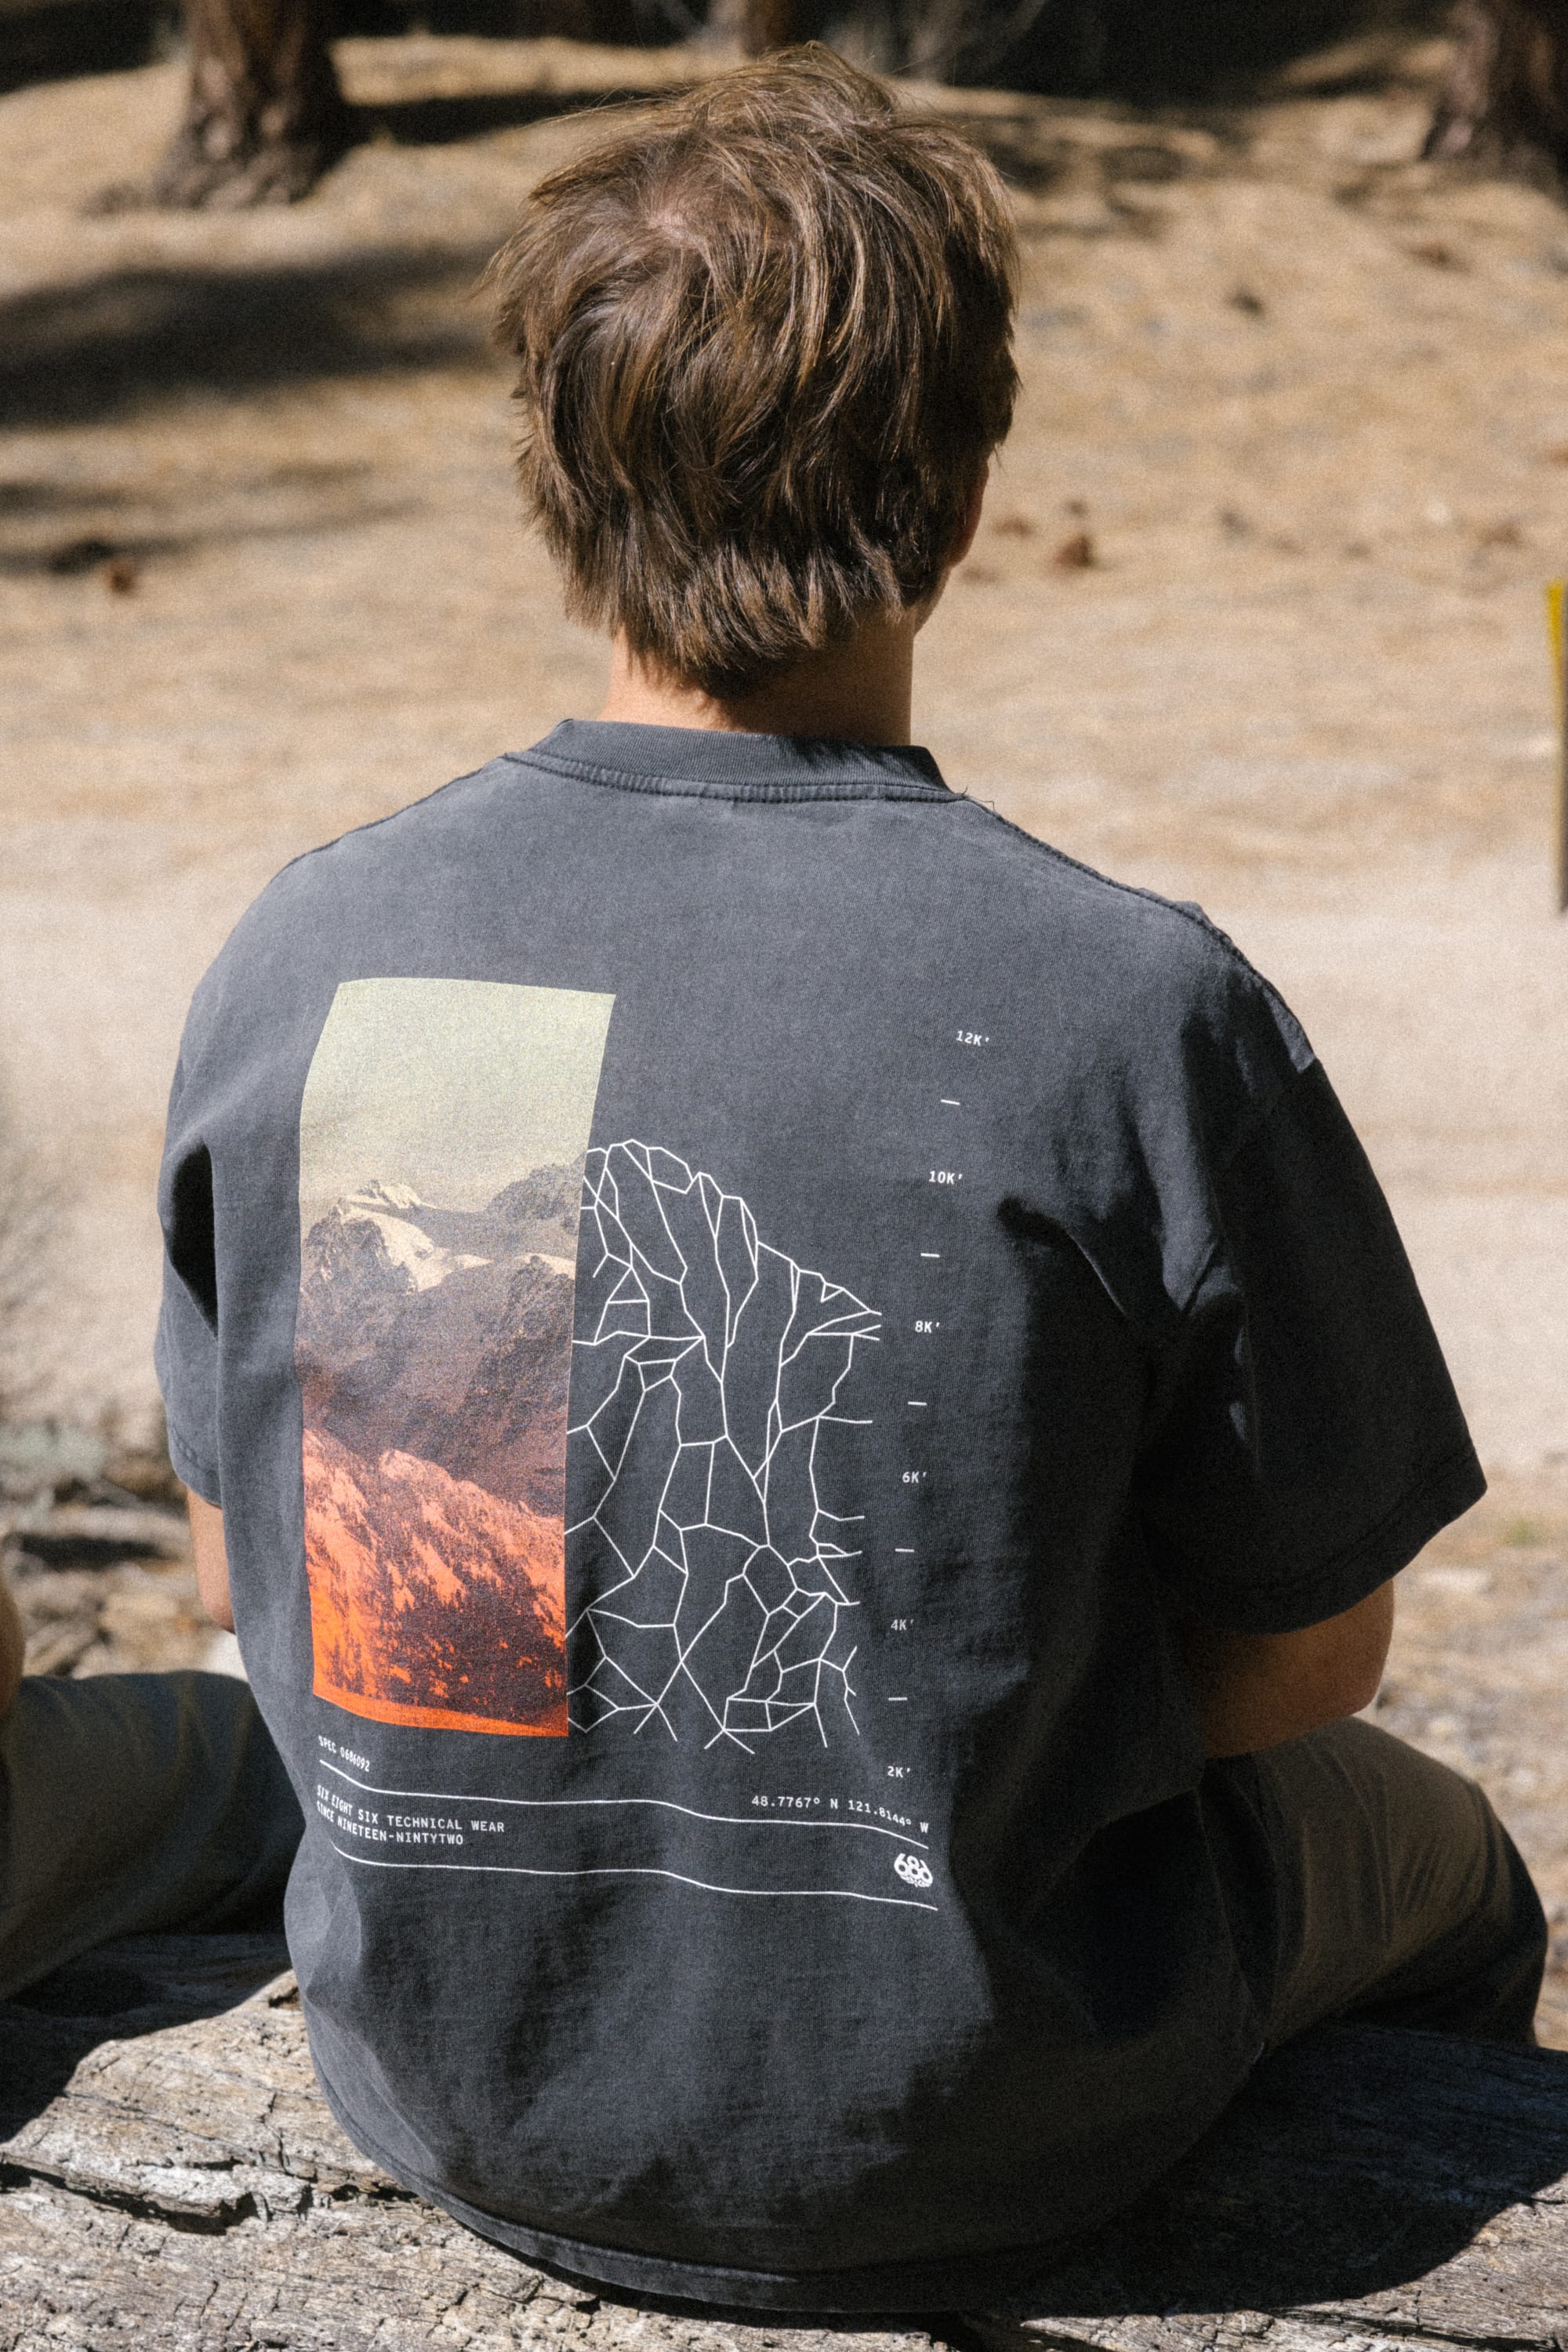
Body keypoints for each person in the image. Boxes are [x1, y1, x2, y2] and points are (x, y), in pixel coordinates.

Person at [1, 45, 1545, 2312]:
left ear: (552, 470)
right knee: (1460, 1861)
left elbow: (309, 1594)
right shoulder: (1130, 1004)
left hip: (457, 2073)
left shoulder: (333, 957)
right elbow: (1311, 1656)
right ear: (967, 478)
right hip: (983, 2088)